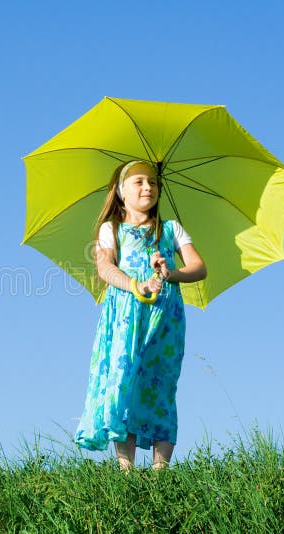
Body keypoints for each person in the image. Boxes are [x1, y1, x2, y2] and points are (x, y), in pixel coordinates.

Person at [73, 160, 207, 472]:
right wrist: (134, 285)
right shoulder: (112, 229)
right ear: (121, 192)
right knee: (126, 381)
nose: (148, 187)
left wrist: (169, 272)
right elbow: (104, 268)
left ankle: (161, 472)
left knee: (161, 383)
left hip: (163, 316)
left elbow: (199, 268)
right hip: (125, 314)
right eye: (139, 182)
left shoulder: (172, 229)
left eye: (153, 183)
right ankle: (126, 470)